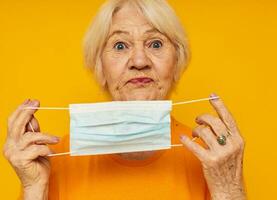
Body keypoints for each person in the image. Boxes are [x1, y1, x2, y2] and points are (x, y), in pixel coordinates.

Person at [3, 0, 246, 199]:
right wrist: (33, 189)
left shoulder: (214, 158)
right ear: (100, 66)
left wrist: (228, 190)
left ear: (177, 62)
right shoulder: (50, 163)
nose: (139, 61)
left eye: (156, 43)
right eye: (120, 46)